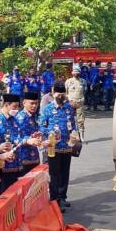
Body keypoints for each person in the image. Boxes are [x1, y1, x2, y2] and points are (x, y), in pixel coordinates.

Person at [39, 82, 79, 212]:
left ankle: (62, 197)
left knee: (64, 172)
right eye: (58, 93)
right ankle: (54, 199)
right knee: (54, 174)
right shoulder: (48, 109)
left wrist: (75, 133)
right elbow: (41, 126)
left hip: (67, 146)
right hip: (53, 147)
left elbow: (73, 125)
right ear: (53, 92)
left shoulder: (68, 108)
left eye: (63, 93)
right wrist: (49, 133)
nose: (60, 95)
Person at [0, 94, 23, 191]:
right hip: (5, 163)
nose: (17, 109)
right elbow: (7, 138)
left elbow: (19, 134)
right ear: (6, 105)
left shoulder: (13, 119)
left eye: (18, 107)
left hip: (15, 161)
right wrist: (26, 140)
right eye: (14, 106)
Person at [17, 92, 43, 176]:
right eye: (32, 103)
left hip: (35, 157)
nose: (34, 106)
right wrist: (28, 140)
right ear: (24, 103)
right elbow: (16, 138)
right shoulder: (19, 117)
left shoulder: (35, 116)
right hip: (23, 158)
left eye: (36, 103)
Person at [66, 66, 87, 135]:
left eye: (77, 72)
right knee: (69, 119)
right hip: (70, 103)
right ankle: (70, 134)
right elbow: (66, 92)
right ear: (72, 73)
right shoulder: (68, 81)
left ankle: (81, 134)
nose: (76, 74)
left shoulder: (83, 81)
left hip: (80, 102)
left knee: (80, 120)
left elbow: (84, 91)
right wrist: (69, 100)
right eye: (75, 72)